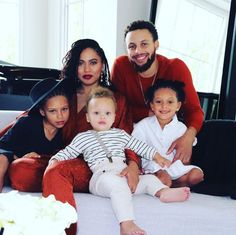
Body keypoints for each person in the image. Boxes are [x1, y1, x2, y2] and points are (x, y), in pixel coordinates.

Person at [48, 87, 191, 235]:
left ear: (114, 116)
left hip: (123, 174)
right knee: (118, 187)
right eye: (96, 113)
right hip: (102, 178)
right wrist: (53, 161)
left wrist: (158, 157)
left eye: (107, 113)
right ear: (88, 117)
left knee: (148, 179)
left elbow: (140, 147)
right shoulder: (83, 138)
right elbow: (67, 153)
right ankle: (126, 224)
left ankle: (163, 192)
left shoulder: (120, 134)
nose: (102, 117)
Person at [42, 39, 141, 235]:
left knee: (56, 171)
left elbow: (125, 137)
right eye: (80, 62)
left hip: (95, 165)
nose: (86, 68)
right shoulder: (65, 93)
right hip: (63, 158)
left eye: (93, 62)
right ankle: (55, 181)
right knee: (21, 171)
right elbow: (30, 116)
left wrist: (133, 165)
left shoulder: (116, 99)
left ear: (102, 65)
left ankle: (63, 231)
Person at [111, 20, 204, 165]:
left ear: (156, 44)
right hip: (136, 135)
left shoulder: (176, 67)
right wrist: (148, 113)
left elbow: (195, 111)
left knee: (184, 170)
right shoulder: (121, 66)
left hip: (168, 136)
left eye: (144, 44)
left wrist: (188, 138)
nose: (138, 51)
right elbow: (117, 109)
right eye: (132, 46)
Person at [0, 78, 71, 192]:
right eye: (53, 111)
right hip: (12, 167)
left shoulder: (67, 130)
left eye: (64, 109)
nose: (60, 116)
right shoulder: (26, 123)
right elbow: (2, 147)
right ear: (43, 112)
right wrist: (18, 157)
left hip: (40, 172)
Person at [132, 79, 204, 187]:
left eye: (170, 102)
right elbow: (135, 146)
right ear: (152, 105)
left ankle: (173, 183)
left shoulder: (182, 128)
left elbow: (187, 152)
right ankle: (166, 182)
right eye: (158, 102)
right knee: (163, 177)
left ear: (178, 106)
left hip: (174, 167)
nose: (164, 106)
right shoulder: (143, 125)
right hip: (153, 166)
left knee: (197, 175)